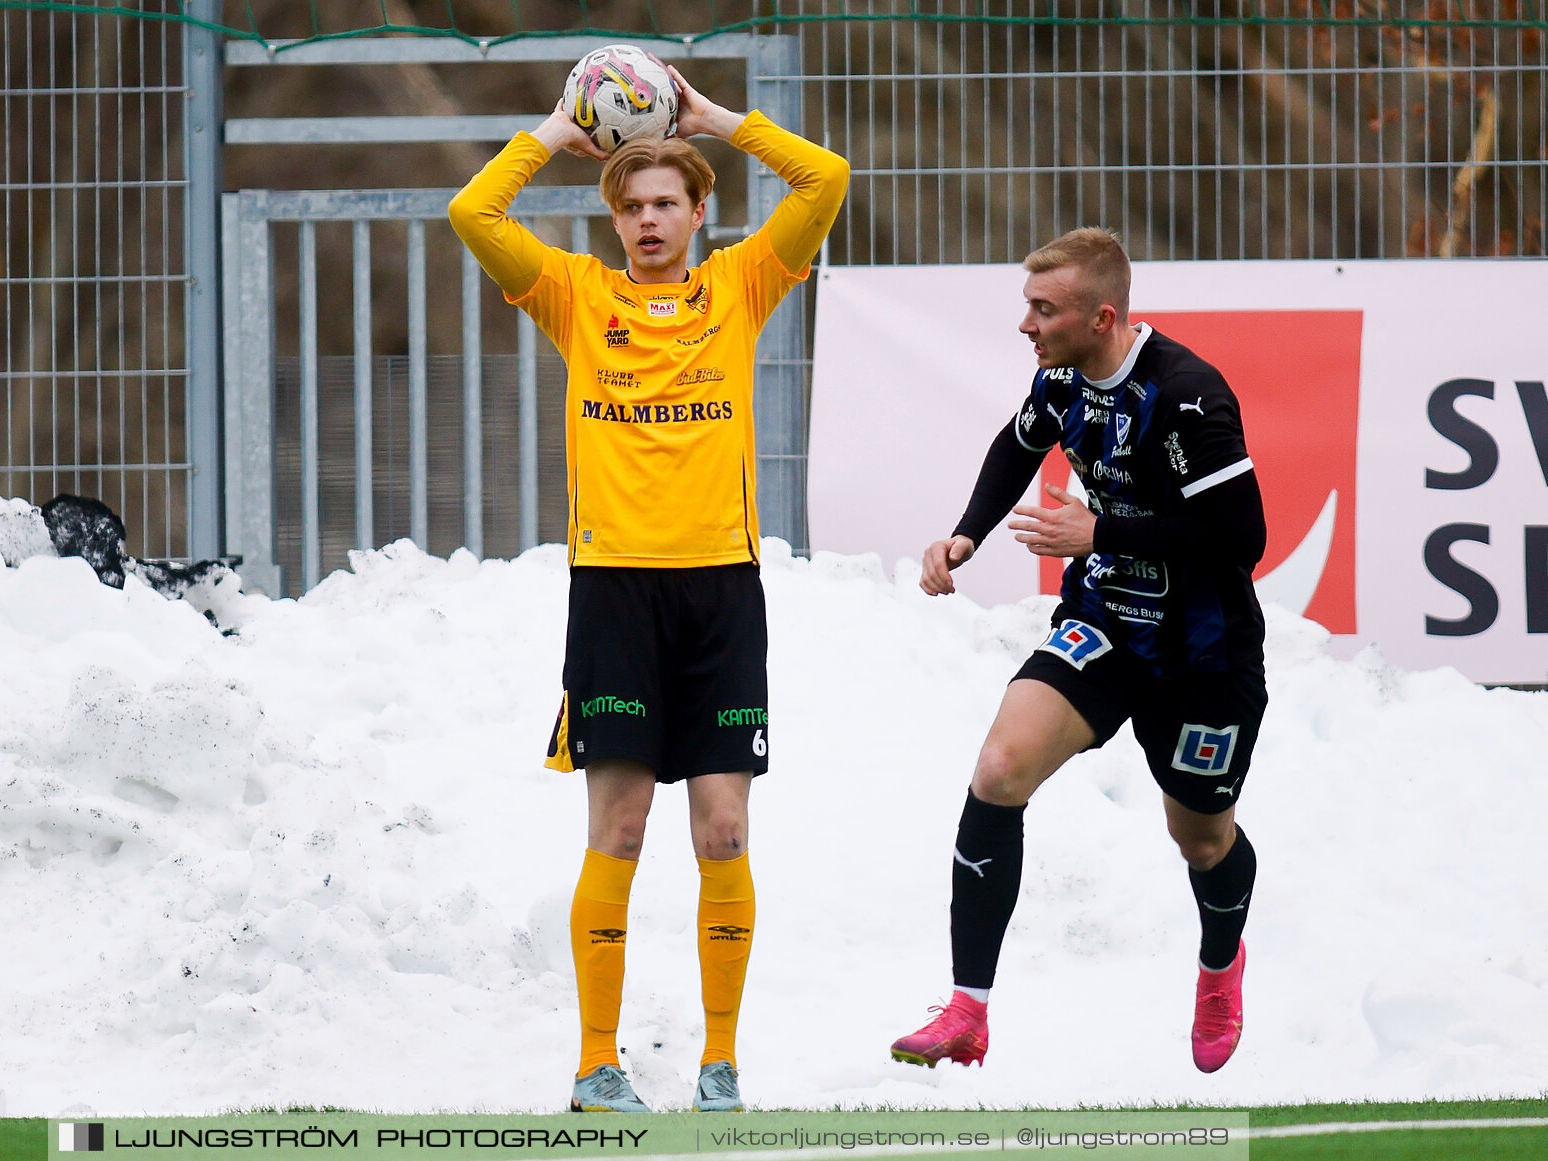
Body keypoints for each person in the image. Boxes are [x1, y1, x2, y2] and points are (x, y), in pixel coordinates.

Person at [449, 69, 847, 1112]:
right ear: (611, 219)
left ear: (700, 212)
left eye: (666, 202)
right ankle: (595, 1063)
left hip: (722, 592)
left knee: (722, 829)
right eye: (629, 206)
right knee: (617, 829)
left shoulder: (741, 288)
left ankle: (720, 1063)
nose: (647, 221)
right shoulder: (578, 298)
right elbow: (471, 211)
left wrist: (715, 120)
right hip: (615, 593)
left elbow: (827, 182)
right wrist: (550, 131)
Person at [889, 228, 1267, 1075]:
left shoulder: (1188, 395)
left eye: (1043, 308)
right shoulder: (1060, 378)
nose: (1026, 323)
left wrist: (1101, 528)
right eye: (1028, 304)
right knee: (998, 770)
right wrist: (966, 535)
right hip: (1103, 621)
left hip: (1204, 652)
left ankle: (1218, 965)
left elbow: (1243, 537)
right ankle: (968, 1009)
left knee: (1201, 838)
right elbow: (1016, 443)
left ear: (1101, 317)